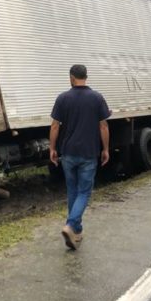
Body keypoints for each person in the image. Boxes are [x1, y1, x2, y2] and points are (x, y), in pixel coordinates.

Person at [49, 64, 110, 250]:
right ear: (85, 76)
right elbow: (104, 126)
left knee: (73, 192)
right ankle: (70, 225)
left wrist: (52, 148)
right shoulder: (97, 98)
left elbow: (54, 126)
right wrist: (105, 149)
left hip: (68, 153)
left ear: (71, 77)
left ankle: (76, 231)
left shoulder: (62, 98)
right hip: (88, 152)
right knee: (84, 192)